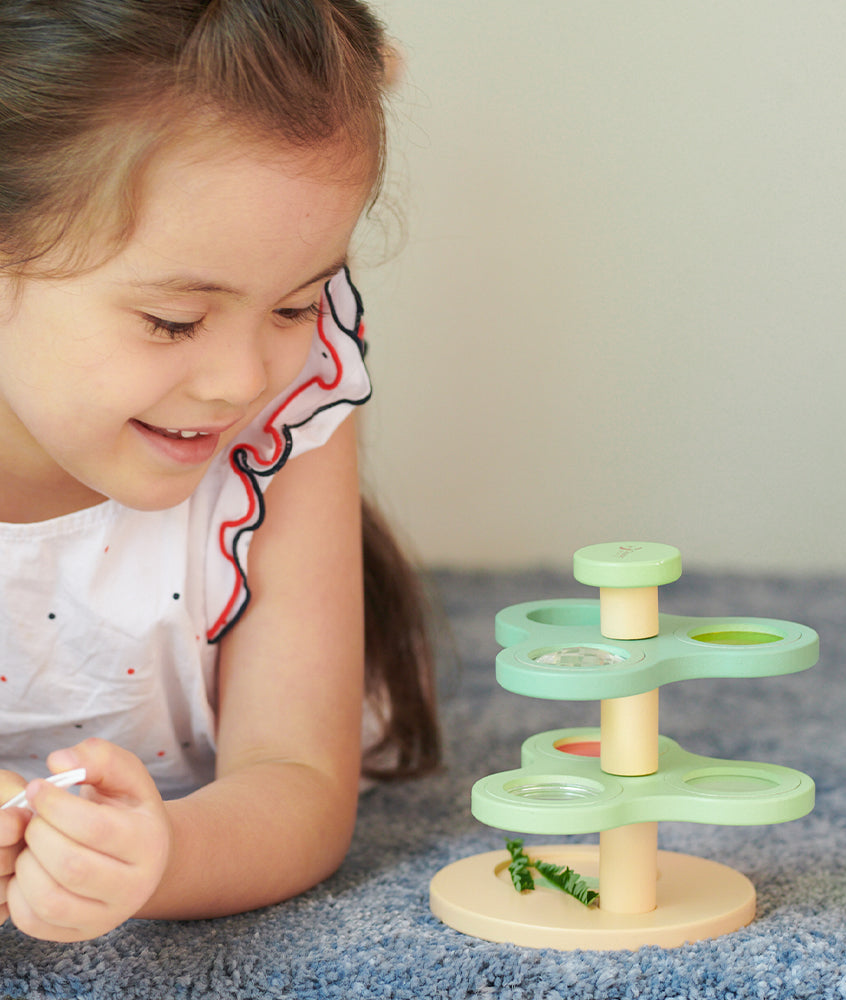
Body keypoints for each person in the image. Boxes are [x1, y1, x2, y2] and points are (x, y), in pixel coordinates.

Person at [0, 0, 439, 942]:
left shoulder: (290, 414)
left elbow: (298, 778)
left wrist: (159, 859)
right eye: (174, 322)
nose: (243, 382)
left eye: (296, 307)